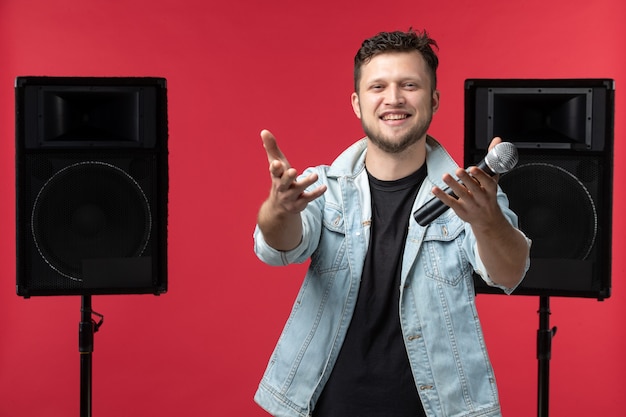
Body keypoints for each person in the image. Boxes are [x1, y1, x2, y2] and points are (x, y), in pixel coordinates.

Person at [253, 28, 531, 417]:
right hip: (328, 407)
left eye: (410, 85)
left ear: (433, 100)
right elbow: (278, 248)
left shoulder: (471, 193)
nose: (394, 98)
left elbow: (510, 272)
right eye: (378, 86)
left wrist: (487, 222)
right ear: (357, 103)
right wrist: (279, 208)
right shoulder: (323, 188)